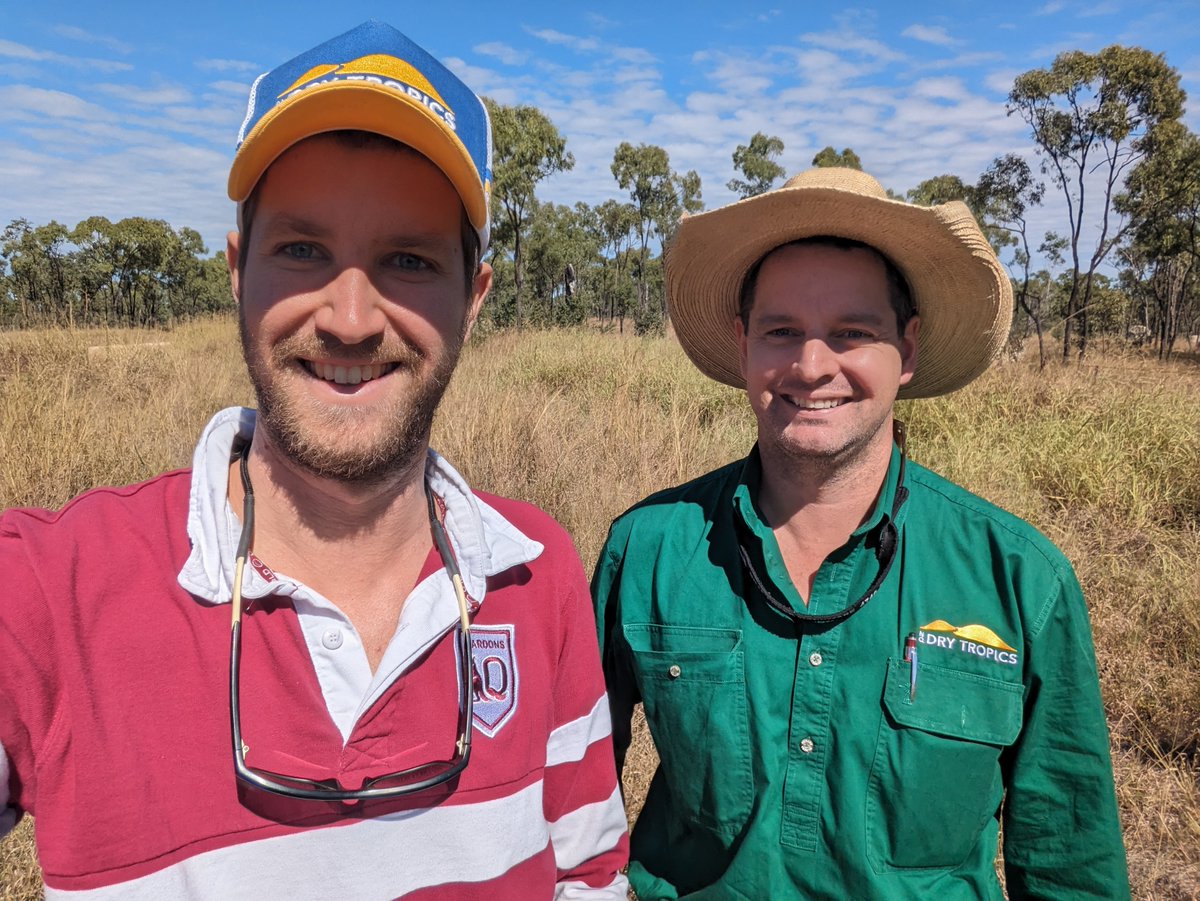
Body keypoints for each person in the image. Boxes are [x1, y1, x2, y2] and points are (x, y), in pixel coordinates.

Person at [0, 21, 628, 899]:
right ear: (235, 272)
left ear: (473, 299)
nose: (350, 317)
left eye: (406, 259)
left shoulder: (535, 573)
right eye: (302, 250)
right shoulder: (48, 590)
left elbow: (588, 875)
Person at [592, 167, 1129, 899]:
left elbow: (1070, 866)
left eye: (852, 332)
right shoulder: (648, 548)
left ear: (906, 350)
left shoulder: (1019, 579)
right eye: (783, 331)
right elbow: (567, 812)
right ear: (744, 344)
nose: (813, 367)